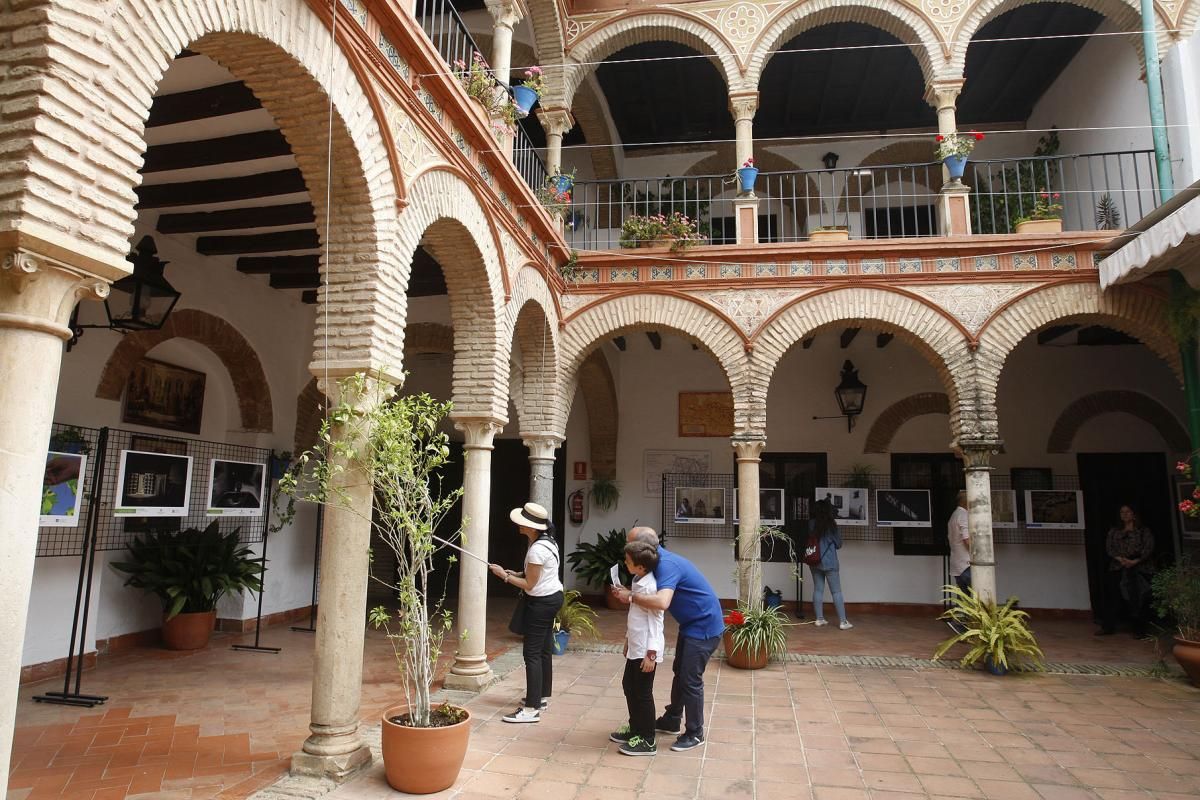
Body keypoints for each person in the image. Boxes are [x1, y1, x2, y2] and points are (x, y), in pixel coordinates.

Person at [614, 527, 723, 752]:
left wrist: (631, 596)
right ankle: (672, 718)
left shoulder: (666, 566)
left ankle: (695, 732)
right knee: (680, 673)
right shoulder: (653, 566)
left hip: (704, 626)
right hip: (691, 624)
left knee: (690, 679)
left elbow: (662, 603)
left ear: (644, 548)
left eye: (630, 544)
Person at [488, 502, 563, 723]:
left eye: (522, 522)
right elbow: (538, 573)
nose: (518, 524)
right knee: (543, 650)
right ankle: (539, 698)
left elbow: (530, 584)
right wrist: (518, 572)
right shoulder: (547, 541)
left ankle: (531, 709)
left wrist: (504, 575)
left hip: (541, 602)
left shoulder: (538, 548)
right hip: (551, 598)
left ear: (531, 527)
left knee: (532, 653)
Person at [609, 540, 664, 757]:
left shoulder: (650, 587)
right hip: (636, 646)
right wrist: (627, 640)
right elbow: (635, 616)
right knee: (629, 686)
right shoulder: (638, 580)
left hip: (645, 651)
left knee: (642, 693)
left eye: (628, 561)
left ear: (641, 567)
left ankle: (648, 739)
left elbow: (655, 622)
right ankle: (636, 730)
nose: (625, 562)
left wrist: (651, 654)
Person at [1097, 505, 1154, 637]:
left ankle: (1139, 629)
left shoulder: (1143, 531)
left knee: (1139, 597)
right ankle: (1108, 627)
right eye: (1122, 512)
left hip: (1139, 566)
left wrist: (1135, 561)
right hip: (1119, 565)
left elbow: (1148, 547)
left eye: (1127, 512)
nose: (1125, 514)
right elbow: (1109, 548)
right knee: (1113, 597)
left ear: (1134, 514)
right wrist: (1121, 559)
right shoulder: (1114, 531)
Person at [809, 499, 852, 630]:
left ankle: (819, 619)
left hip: (815, 560)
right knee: (836, 591)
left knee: (818, 589)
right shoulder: (831, 524)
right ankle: (843, 622)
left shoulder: (811, 524)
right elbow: (839, 544)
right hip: (830, 562)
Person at [947, 490, 971, 593]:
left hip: (957, 565)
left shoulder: (954, 515)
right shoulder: (964, 515)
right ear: (966, 502)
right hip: (966, 564)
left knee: (963, 602)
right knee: (978, 600)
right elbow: (967, 539)